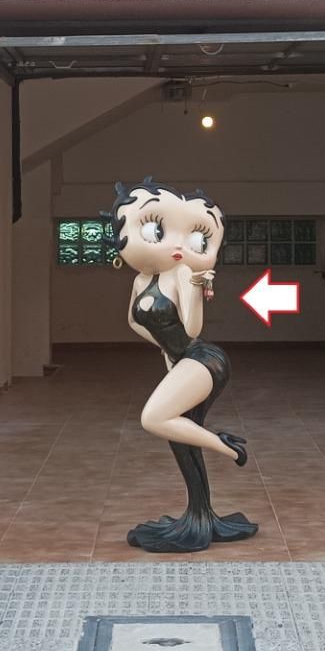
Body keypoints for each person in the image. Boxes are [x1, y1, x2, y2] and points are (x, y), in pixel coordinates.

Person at [106, 177, 259, 553]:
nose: (178, 246)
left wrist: (195, 288)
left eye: (198, 239)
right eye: (157, 230)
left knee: (154, 418)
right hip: (178, 361)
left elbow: (192, 329)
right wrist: (164, 349)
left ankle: (228, 447)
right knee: (180, 439)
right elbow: (133, 321)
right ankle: (199, 514)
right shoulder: (142, 280)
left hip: (203, 360)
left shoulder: (181, 275)